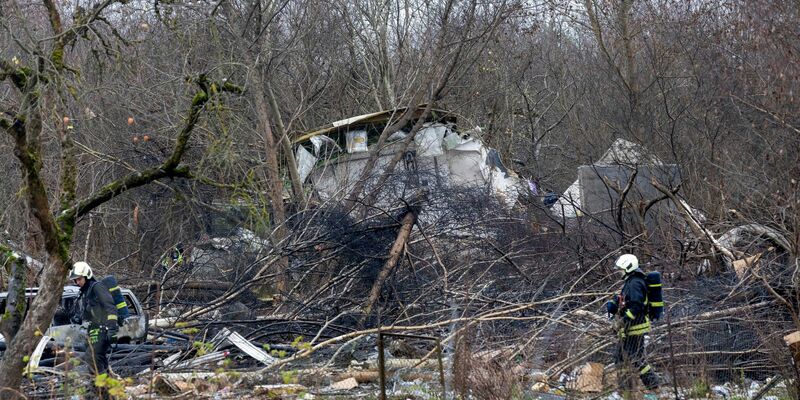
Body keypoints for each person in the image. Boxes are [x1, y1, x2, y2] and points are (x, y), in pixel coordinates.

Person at [606, 254, 659, 396]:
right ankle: (625, 390)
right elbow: (628, 301)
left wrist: (623, 321)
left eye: (621, 269)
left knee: (636, 358)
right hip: (630, 327)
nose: (619, 271)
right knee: (620, 357)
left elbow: (636, 305)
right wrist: (616, 301)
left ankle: (652, 386)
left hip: (635, 327)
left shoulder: (635, 283)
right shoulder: (631, 281)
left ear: (628, 268)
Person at [69, 261, 118, 375]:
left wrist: (112, 329)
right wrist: (79, 317)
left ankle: (100, 388)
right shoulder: (86, 292)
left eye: (79, 279)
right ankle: (108, 386)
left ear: (87, 276)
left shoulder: (97, 287)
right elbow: (92, 311)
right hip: (94, 330)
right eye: (75, 280)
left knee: (93, 359)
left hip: (103, 330)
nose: (77, 282)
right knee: (96, 359)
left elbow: (110, 307)